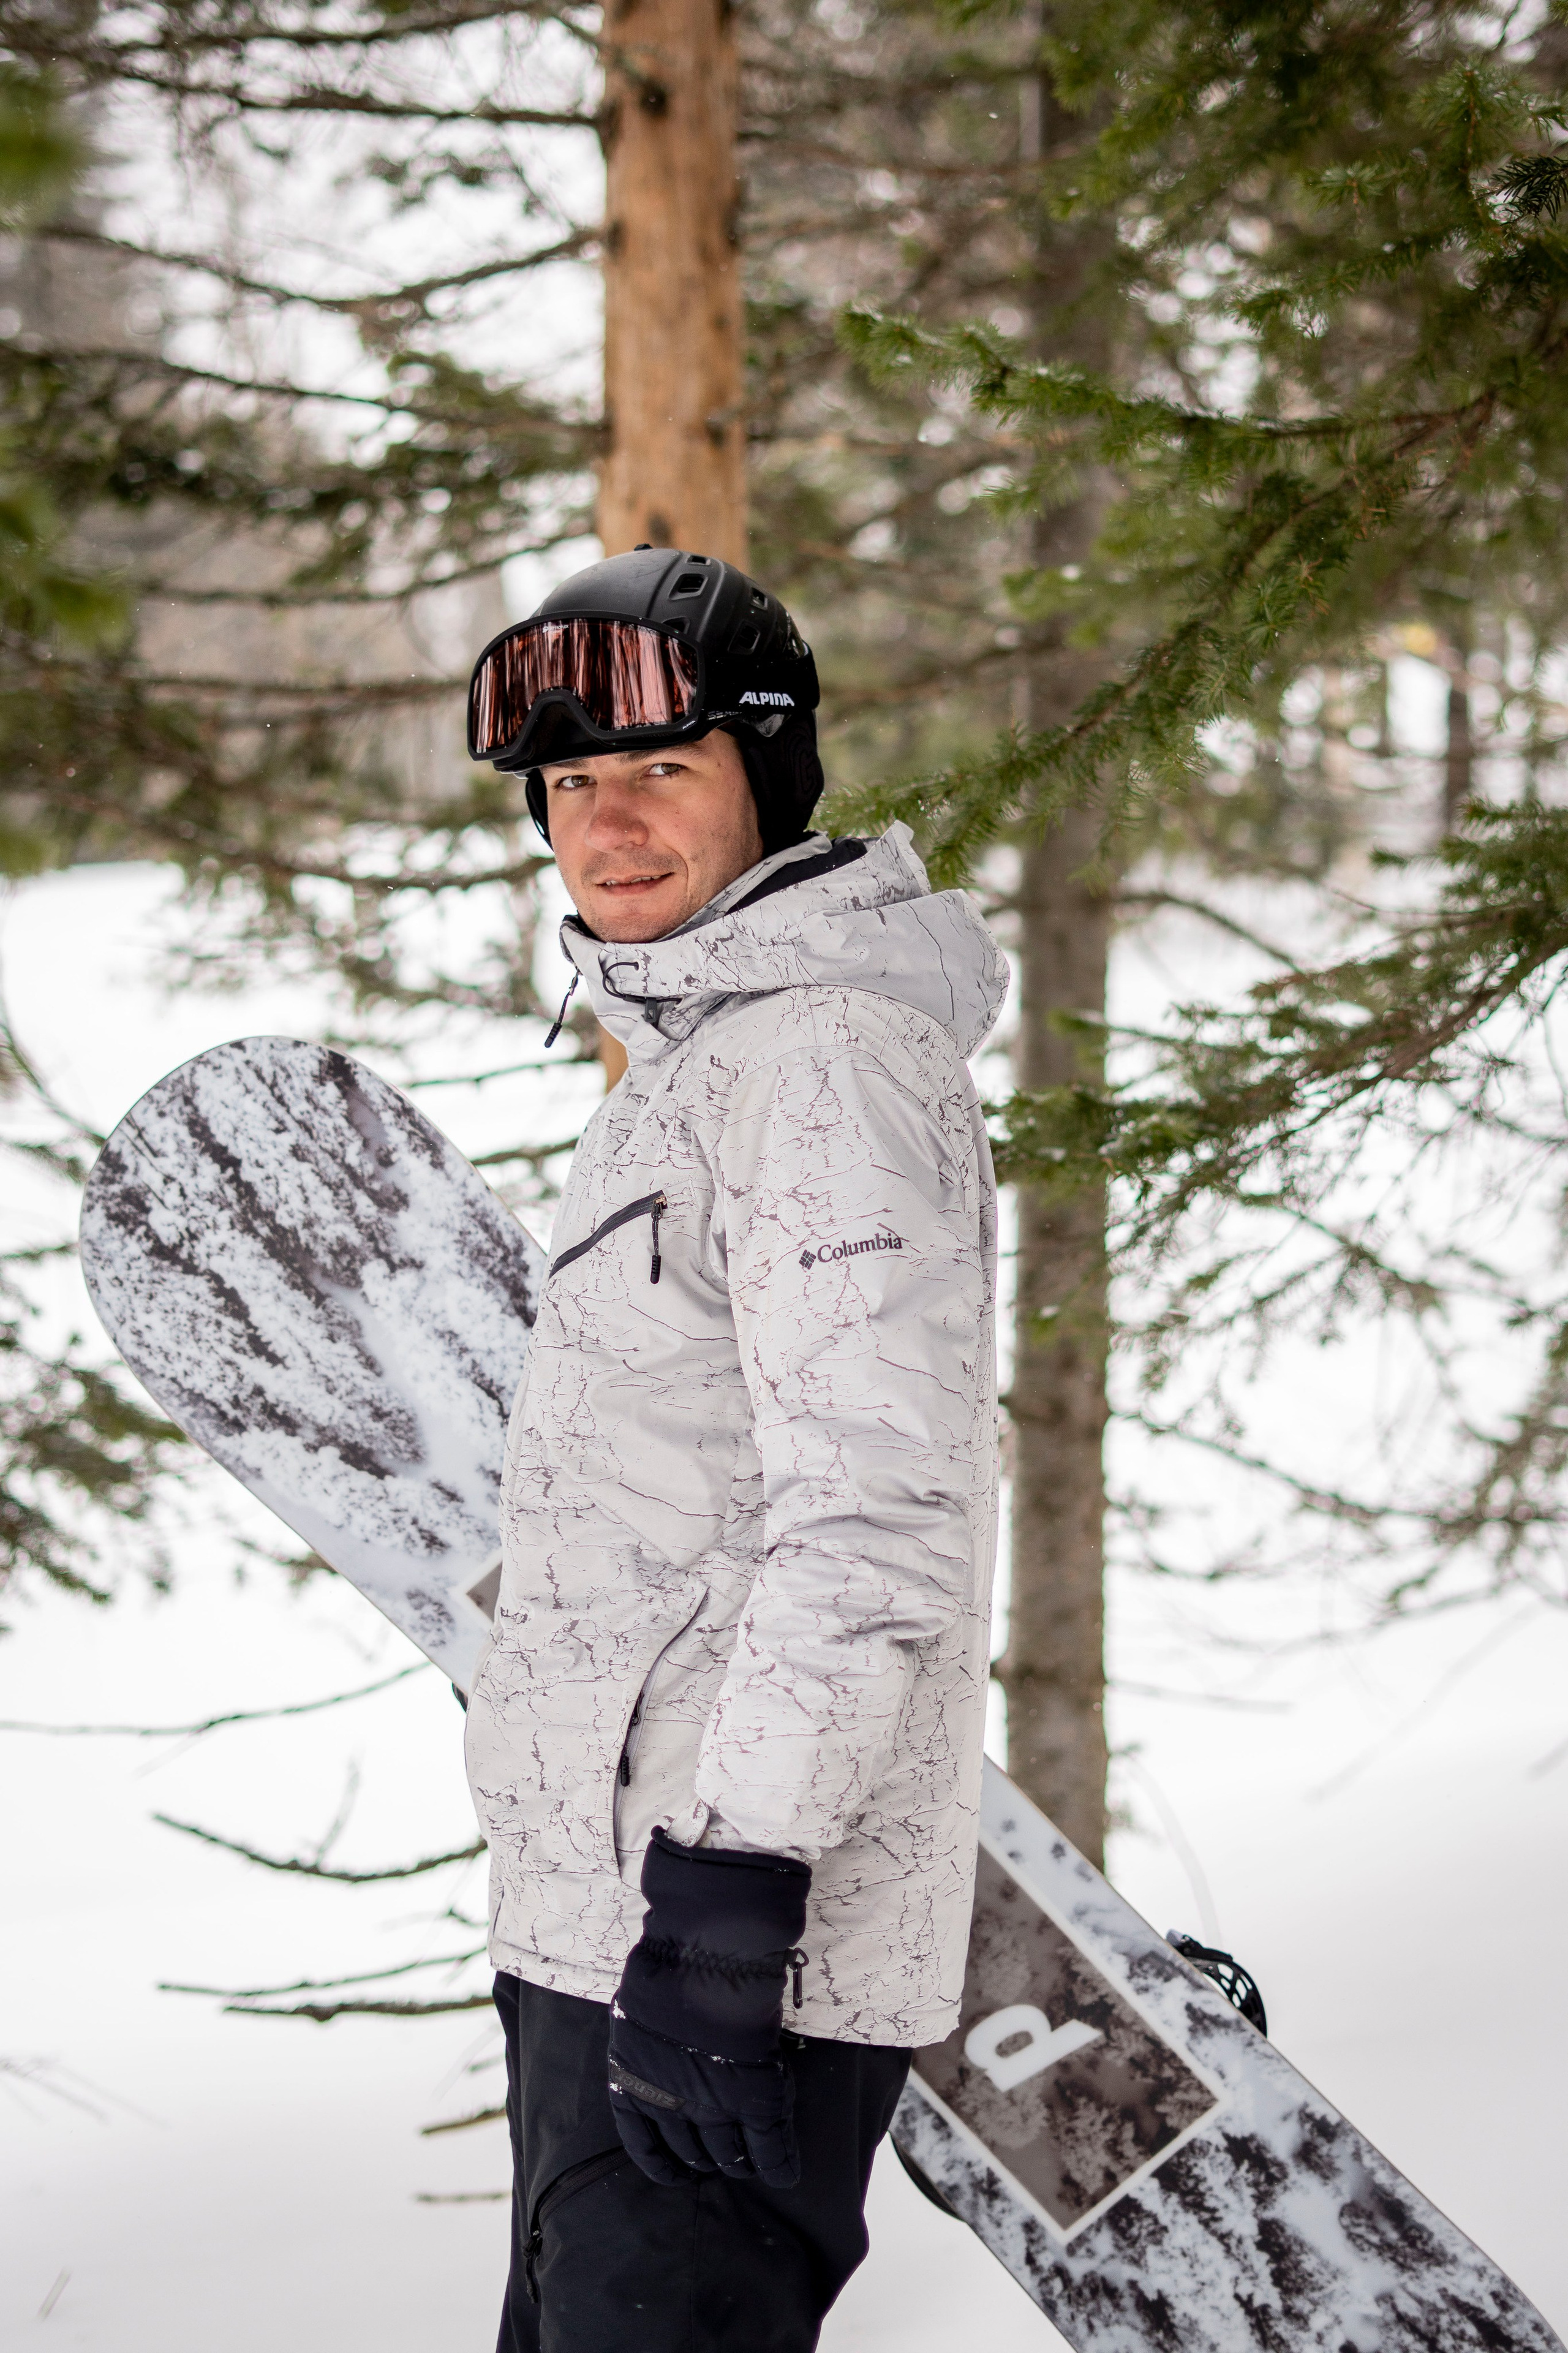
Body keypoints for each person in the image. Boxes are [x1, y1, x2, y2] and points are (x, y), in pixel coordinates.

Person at [462, 545, 1006, 2352]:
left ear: (769, 778)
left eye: (659, 772)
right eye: (569, 788)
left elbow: (876, 1516)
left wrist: (725, 1901)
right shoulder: (703, 1054)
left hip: (716, 1953)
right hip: (602, 1937)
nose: (604, 827)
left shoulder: (824, 1059)